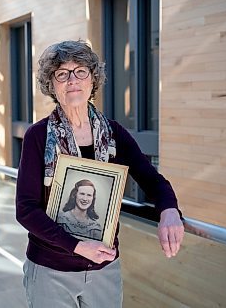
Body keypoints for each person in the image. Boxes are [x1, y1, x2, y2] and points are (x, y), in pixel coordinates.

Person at [15, 40, 184, 308]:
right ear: (52, 85)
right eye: (62, 74)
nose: (72, 80)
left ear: (93, 79)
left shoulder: (114, 133)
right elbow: (25, 209)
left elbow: (153, 181)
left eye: (80, 71)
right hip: (50, 269)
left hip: (104, 268)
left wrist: (170, 211)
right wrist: (78, 246)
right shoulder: (38, 136)